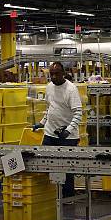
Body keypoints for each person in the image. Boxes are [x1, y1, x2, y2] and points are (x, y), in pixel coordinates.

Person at [33, 62, 83, 198]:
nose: (53, 77)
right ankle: (48, 196)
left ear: (63, 74)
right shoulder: (49, 87)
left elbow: (78, 113)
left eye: (56, 74)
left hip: (67, 137)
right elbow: (50, 108)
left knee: (66, 168)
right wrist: (42, 123)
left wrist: (69, 130)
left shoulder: (71, 90)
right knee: (43, 163)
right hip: (50, 133)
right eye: (51, 74)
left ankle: (68, 198)